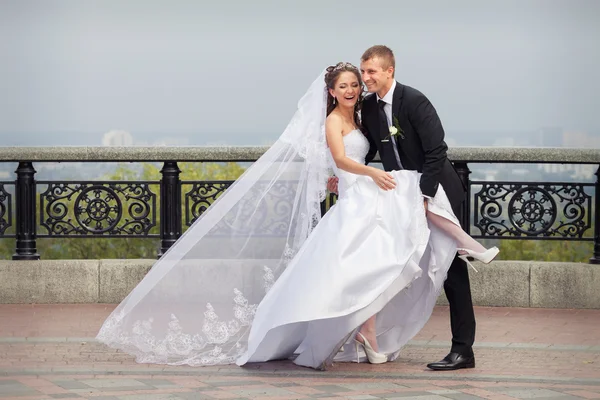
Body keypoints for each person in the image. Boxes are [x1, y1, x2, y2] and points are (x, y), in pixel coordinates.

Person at [96, 61, 498, 371]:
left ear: (386, 71)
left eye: (363, 78)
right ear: (332, 90)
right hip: (379, 193)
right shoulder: (353, 113)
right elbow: (351, 156)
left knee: (442, 265)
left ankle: (459, 340)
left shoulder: (402, 103)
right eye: (351, 82)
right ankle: (365, 332)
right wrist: (354, 174)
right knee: (365, 266)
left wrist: (405, 185)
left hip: (423, 189)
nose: (359, 85)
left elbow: (430, 151)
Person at [328, 45, 497, 370]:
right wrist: (342, 175)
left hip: (439, 194)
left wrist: (423, 196)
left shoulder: (415, 101)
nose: (365, 79)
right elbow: (369, 149)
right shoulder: (371, 107)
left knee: (453, 272)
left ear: (390, 71)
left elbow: (436, 152)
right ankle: (373, 333)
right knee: (389, 261)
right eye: (363, 73)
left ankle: (463, 350)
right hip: (403, 196)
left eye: (371, 72)